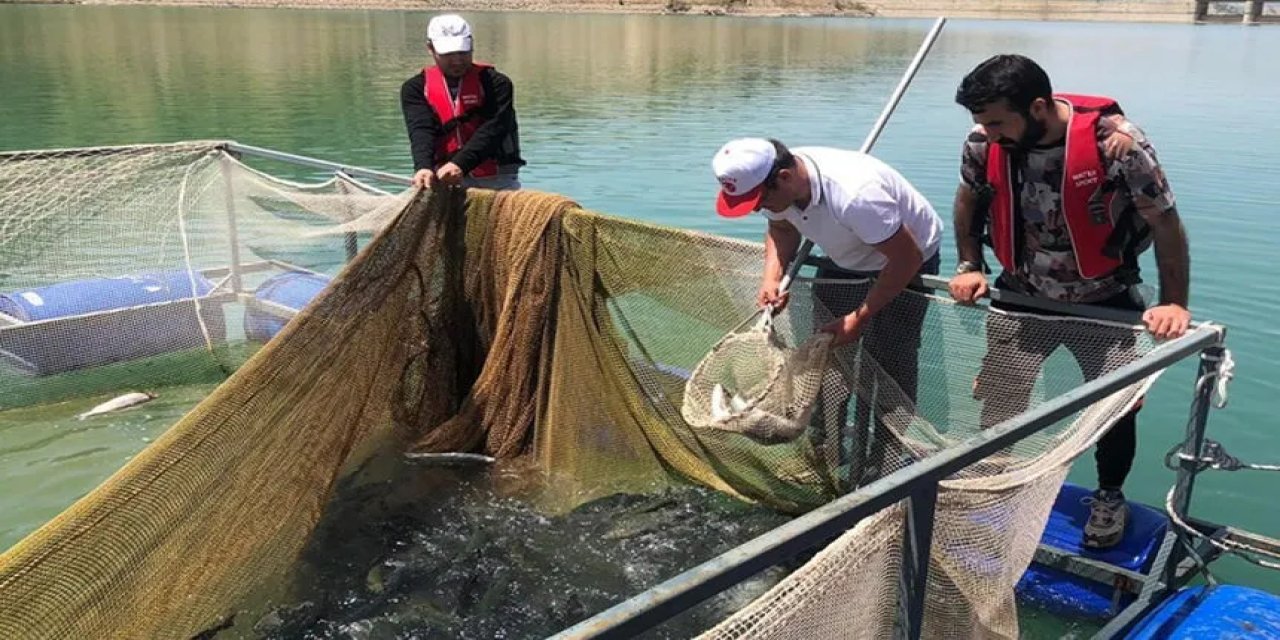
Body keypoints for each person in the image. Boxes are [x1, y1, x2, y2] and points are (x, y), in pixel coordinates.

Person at [948, 54, 1191, 548]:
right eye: (981, 123)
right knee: (1000, 395)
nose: (988, 134)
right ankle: (994, 480)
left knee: (1117, 408)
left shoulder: (1117, 143)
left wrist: (1174, 302)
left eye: (997, 122)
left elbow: (1165, 221)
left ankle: (1108, 496)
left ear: (1037, 107)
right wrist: (970, 265)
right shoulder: (983, 143)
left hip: (1104, 297)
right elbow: (969, 198)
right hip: (1023, 293)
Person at [712, 137, 944, 485]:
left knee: (890, 368)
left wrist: (860, 317)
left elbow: (905, 257)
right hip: (845, 259)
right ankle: (826, 455)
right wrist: (772, 278)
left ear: (786, 177)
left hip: (905, 260)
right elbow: (781, 227)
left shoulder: (856, 196)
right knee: (825, 360)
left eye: (760, 200)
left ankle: (885, 465)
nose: (760, 208)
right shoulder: (774, 183)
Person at [400, 14, 524, 191]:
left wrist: (460, 164)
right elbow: (420, 130)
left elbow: (495, 128)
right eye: (448, 54)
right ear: (430, 48)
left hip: (497, 177)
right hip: (442, 176)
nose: (457, 60)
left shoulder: (497, 83)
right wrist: (423, 167)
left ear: (471, 44)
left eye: (463, 52)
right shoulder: (414, 88)